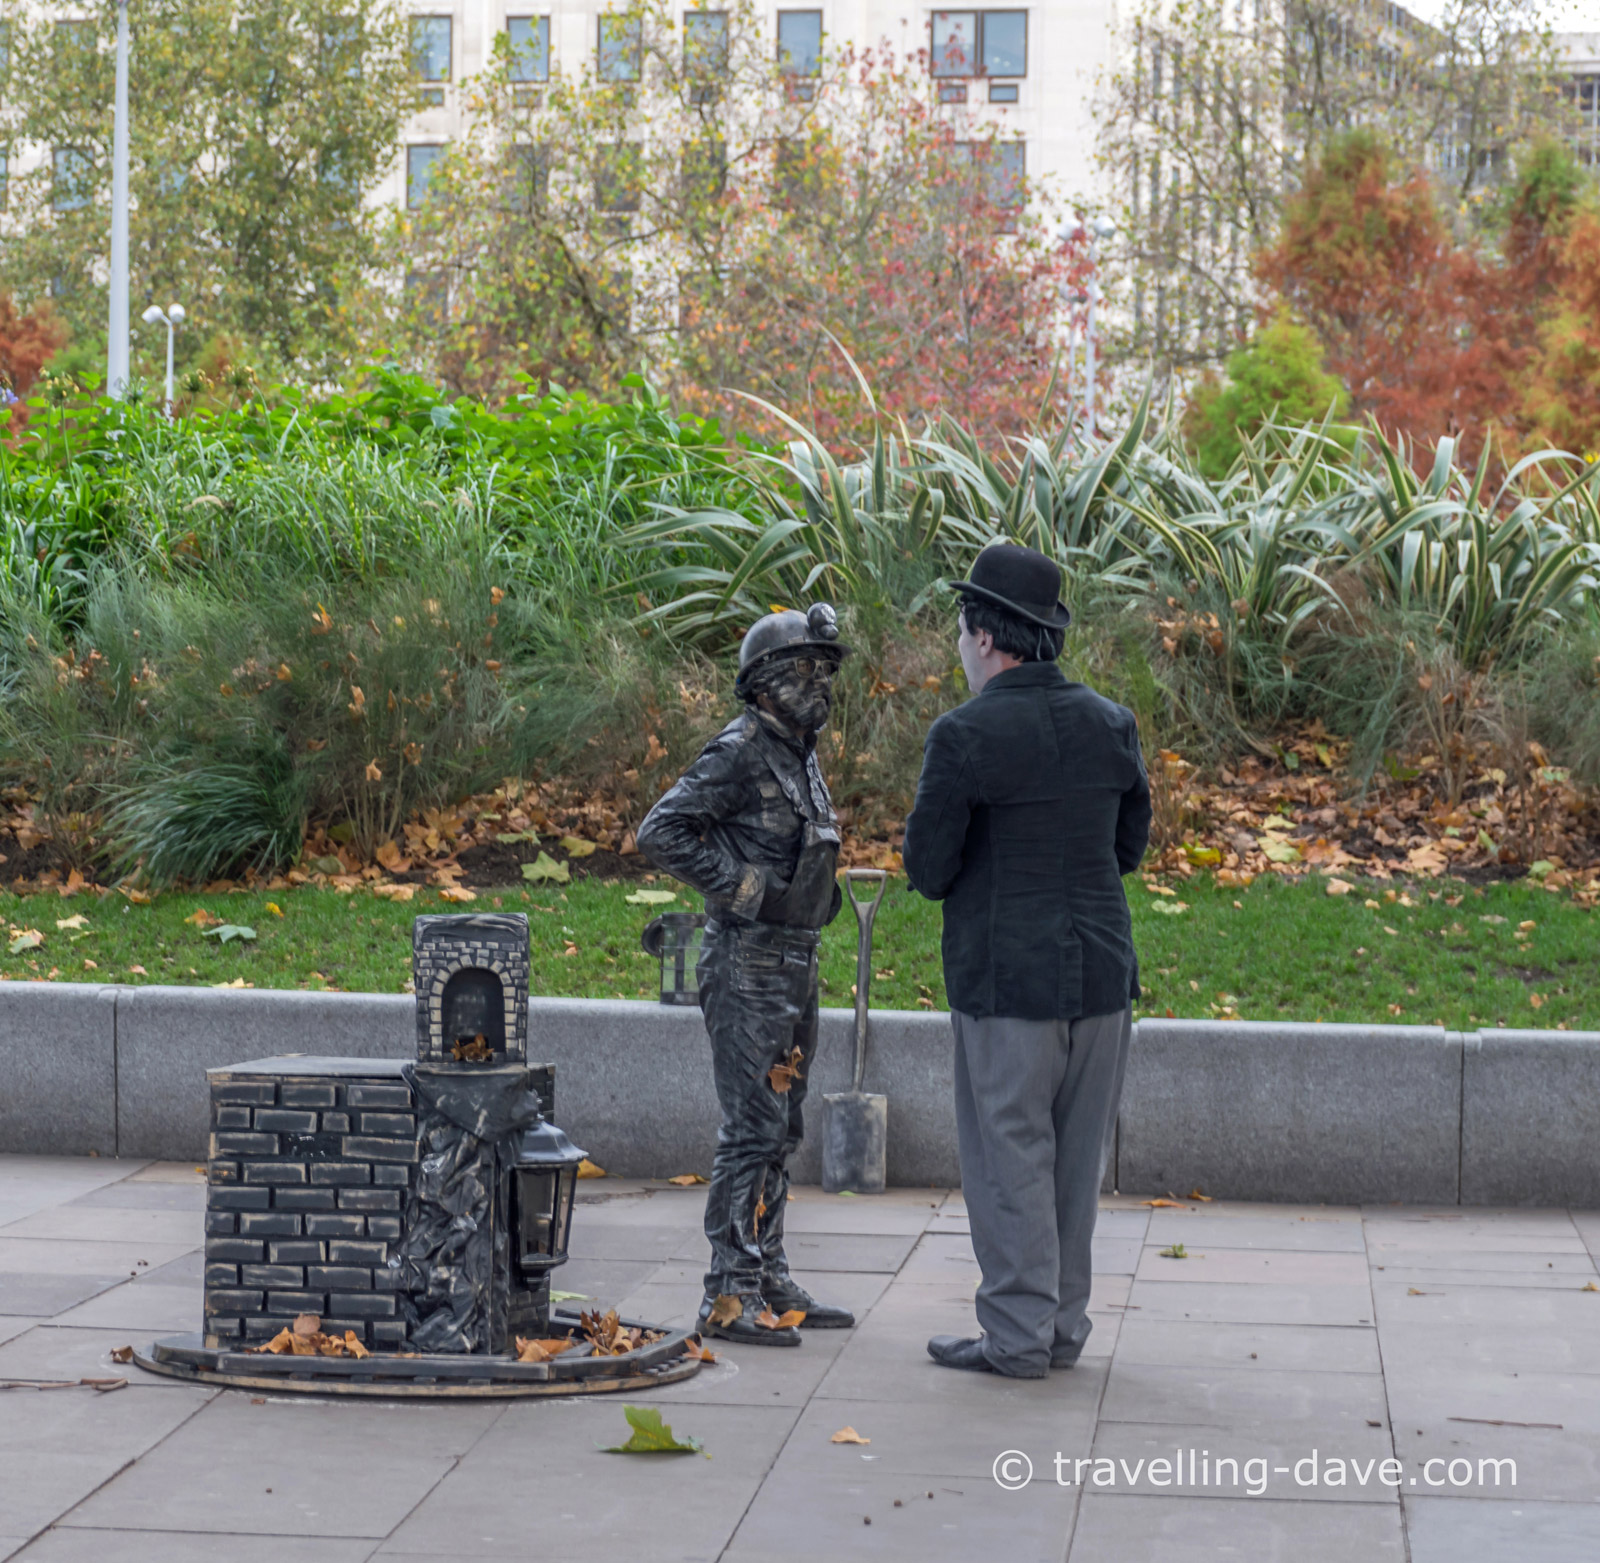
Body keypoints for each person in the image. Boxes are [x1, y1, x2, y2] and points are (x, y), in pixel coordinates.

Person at [902, 542, 1151, 1378]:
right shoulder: (1112, 722)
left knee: (1010, 1153)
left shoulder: (964, 734)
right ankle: (1060, 1327)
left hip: (1009, 982)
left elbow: (928, 870)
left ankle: (1015, 1333)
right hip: (1103, 975)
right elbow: (1128, 847)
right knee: (1076, 1161)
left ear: (982, 635)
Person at [636, 603, 858, 1346]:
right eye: (805, 669)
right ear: (762, 682)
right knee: (750, 1126)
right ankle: (727, 1293)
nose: (820, 683)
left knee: (783, 1123)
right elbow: (660, 829)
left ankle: (767, 1270)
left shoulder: (799, 752)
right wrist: (747, 890)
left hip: (798, 959)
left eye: (825, 670)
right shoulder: (737, 750)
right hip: (748, 960)